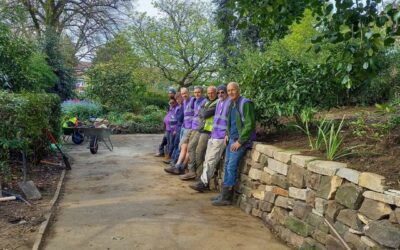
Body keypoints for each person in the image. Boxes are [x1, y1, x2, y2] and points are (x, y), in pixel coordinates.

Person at [211, 82, 256, 206]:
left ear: (238, 90)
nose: (231, 92)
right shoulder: (232, 103)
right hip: (231, 138)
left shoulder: (245, 103)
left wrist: (240, 141)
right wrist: (227, 133)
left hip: (240, 140)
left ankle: (227, 197)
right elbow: (230, 121)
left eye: (233, 90)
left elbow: (249, 124)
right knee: (226, 165)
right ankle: (223, 194)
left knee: (231, 166)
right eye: (229, 90)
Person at [189, 85, 230, 191]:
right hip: (213, 134)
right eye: (219, 93)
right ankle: (203, 181)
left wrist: (228, 133)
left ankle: (203, 183)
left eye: (222, 92)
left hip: (221, 137)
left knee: (211, 159)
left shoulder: (229, 103)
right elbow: (202, 113)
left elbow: (230, 120)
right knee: (207, 159)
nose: (220, 94)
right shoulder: (220, 103)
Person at [180, 85, 217, 180]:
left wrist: (202, 111)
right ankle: (192, 171)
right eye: (195, 92)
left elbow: (204, 114)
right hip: (199, 128)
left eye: (198, 92)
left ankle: (198, 176)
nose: (210, 94)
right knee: (190, 147)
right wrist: (202, 112)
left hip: (207, 131)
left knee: (199, 153)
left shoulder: (211, 102)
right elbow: (200, 113)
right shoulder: (201, 101)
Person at [164, 87, 195, 174]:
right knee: (182, 147)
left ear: (189, 93)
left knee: (187, 148)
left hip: (191, 128)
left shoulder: (193, 100)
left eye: (185, 93)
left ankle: (180, 166)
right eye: (182, 94)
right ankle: (178, 166)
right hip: (185, 127)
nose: (184, 95)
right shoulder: (184, 102)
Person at [155, 86, 177, 157]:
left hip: (172, 127)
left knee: (170, 142)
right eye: (169, 93)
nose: (169, 94)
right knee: (164, 140)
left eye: (171, 93)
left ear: (174, 93)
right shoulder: (170, 103)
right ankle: (162, 152)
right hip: (167, 126)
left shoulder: (176, 103)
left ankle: (169, 155)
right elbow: (169, 113)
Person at [164, 93, 184, 165]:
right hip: (171, 128)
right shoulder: (174, 108)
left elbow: (179, 120)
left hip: (178, 128)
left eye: (178, 98)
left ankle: (174, 160)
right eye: (177, 99)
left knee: (175, 144)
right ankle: (172, 159)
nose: (178, 100)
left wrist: (175, 129)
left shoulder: (181, 107)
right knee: (172, 143)